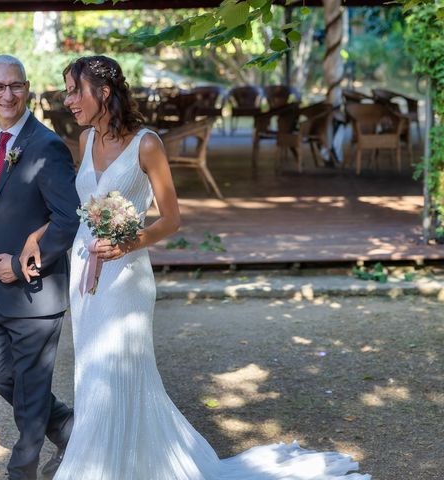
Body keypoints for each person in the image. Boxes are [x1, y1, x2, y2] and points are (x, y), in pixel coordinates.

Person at [18, 55, 371, 479]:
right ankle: (105, 461)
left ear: (104, 92)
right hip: (84, 271)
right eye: (67, 90)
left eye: (75, 90)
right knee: (91, 371)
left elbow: (171, 219)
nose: (68, 98)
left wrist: (129, 240)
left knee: (120, 370)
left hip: (124, 277)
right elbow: (81, 208)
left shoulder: (146, 144)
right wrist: (38, 235)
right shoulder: (87, 139)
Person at [0, 54, 78, 480]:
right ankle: (67, 425)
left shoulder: (48, 146)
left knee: (29, 388)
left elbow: (70, 217)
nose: (6, 95)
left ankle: (22, 470)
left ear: (27, 88)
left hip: (35, 293)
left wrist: (22, 262)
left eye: (15, 86)